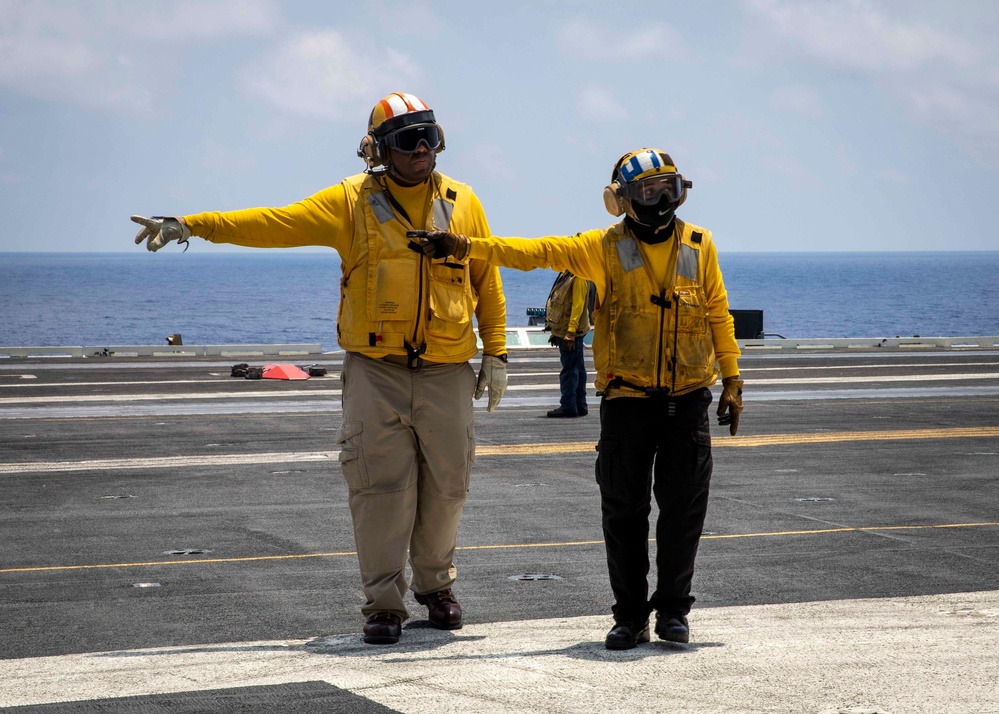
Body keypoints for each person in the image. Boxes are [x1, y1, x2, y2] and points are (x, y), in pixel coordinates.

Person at [131, 92, 509, 646]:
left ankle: (436, 588)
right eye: (408, 139)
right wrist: (193, 224)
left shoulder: (464, 202)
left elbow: (487, 278)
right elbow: (274, 223)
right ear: (379, 149)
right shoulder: (350, 202)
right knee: (380, 489)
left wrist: (496, 353)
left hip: (447, 369)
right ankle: (384, 604)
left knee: (449, 484)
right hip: (376, 372)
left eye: (430, 135)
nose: (423, 148)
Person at [410, 148, 744, 650]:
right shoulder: (599, 247)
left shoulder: (701, 244)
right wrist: (463, 245)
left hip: (688, 402)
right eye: (647, 192)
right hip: (627, 403)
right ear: (621, 201)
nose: (659, 200)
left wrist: (733, 379)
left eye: (667, 189)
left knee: (683, 513)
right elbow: (530, 251)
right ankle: (630, 616)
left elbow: (718, 312)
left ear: (681, 190)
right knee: (624, 513)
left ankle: (674, 611)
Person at [544, 269, 592, 418]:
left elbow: (578, 306)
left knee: (570, 370)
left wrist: (570, 333)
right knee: (578, 368)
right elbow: (558, 303)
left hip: (570, 333)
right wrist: (554, 330)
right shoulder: (566, 275)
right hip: (563, 330)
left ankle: (568, 406)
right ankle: (579, 405)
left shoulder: (578, 277)